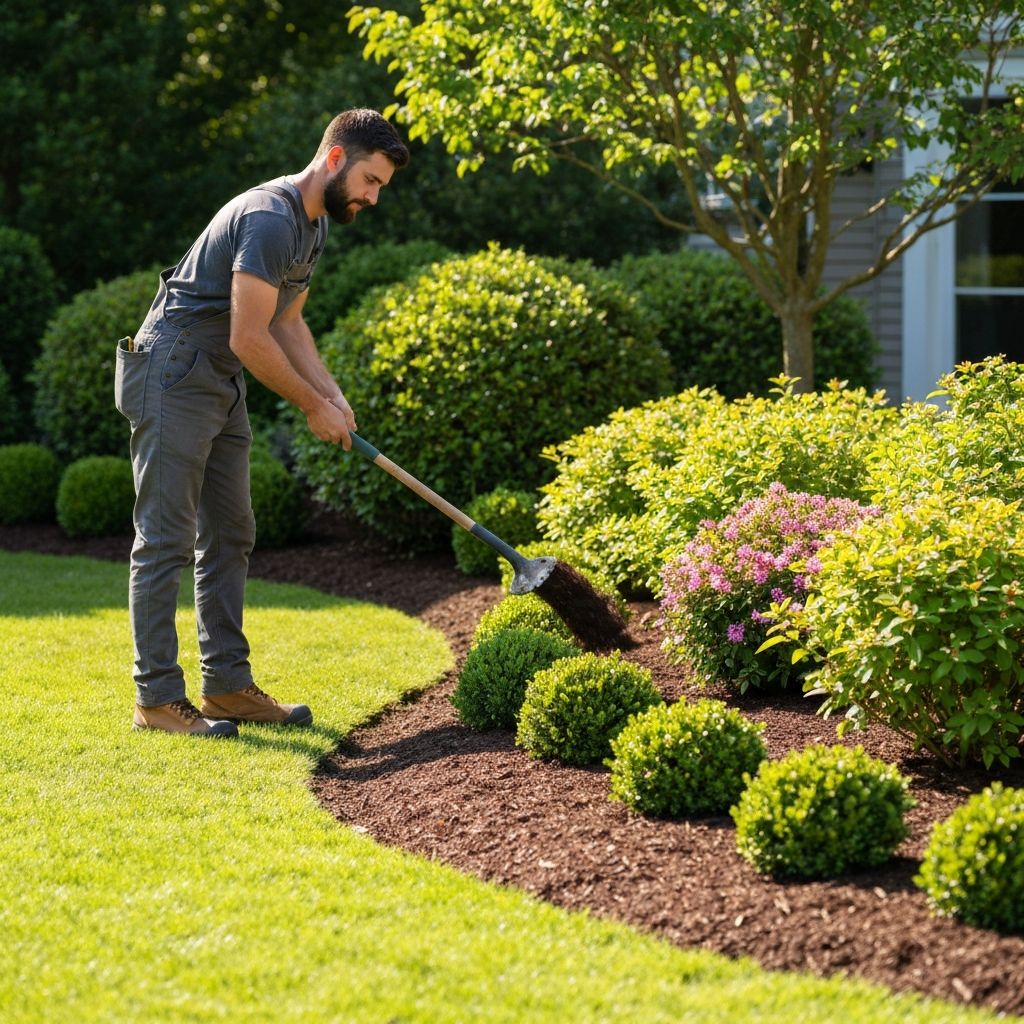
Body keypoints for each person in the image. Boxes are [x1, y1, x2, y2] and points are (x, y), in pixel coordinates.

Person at [115, 109, 410, 737]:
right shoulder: (270, 219)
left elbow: (288, 325)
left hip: (217, 377)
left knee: (231, 532)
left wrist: (333, 396)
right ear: (335, 159)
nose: (373, 196)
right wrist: (310, 406)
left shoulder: (315, 227)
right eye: (370, 180)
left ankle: (226, 687)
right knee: (164, 536)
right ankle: (157, 701)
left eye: (380, 186)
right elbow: (249, 335)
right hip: (174, 368)